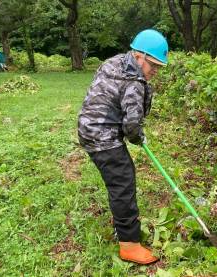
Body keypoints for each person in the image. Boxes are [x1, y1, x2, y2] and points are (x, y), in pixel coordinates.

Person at [77, 29, 168, 265]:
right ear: (139, 56)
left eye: (159, 68)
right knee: (123, 181)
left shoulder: (115, 61)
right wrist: (139, 138)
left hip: (89, 127)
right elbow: (132, 125)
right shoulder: (135, 81)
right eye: (153, 66)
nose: (155, 72)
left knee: (119, 179)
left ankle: (121, 222)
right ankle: (129, 244)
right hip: (102, 136)